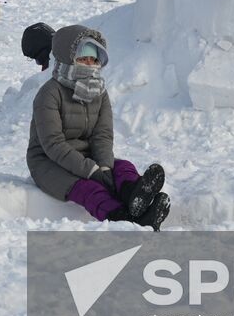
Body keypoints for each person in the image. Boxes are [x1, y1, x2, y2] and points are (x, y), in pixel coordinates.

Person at [27, 25, 170, 229]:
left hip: (86, 156)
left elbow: (102, 135)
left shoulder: (98, 92)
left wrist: (104, 166)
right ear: (68, 58)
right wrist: (92, 171)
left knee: (123, 168)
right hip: (48, 162)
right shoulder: (49, 94)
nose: (89, 64)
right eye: (82, 59)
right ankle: (123, 219)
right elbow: (53, 145)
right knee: (90, 189)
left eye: (93, 60)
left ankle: (136, 198)